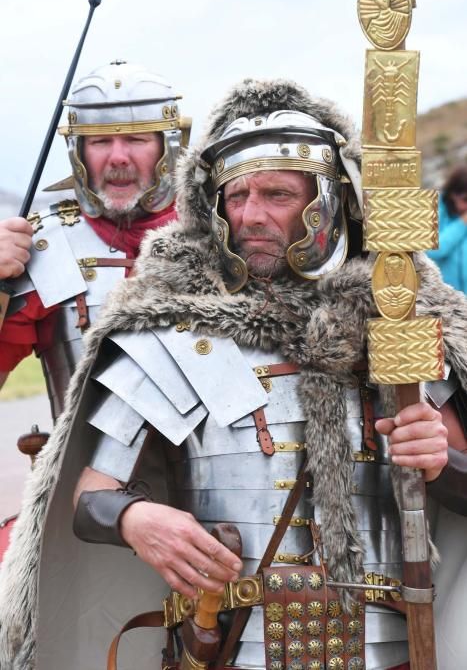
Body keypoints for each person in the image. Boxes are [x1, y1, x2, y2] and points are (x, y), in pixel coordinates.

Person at [1, 78, 466, 670]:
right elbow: (91, 498)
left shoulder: (400, 321)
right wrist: (138, 518)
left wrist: (437, 465)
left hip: (391, 650)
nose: (249, 215)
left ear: (328, 200)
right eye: (236, 195)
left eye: (276, 194)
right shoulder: (166, 331)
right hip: (230, 647)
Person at [0, 59, 190, 421]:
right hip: (81, 474)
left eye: (136, 138)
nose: (118, 157)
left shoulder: (225, 241)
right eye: (101, 141)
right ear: (79, 153)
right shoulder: (44, 250)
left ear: (169, 148)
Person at [427, 164, 467, 294]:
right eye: (466, 199)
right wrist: (462, 223)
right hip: (445, 299)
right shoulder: (434, 209)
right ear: (453, 194)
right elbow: (434, 249)